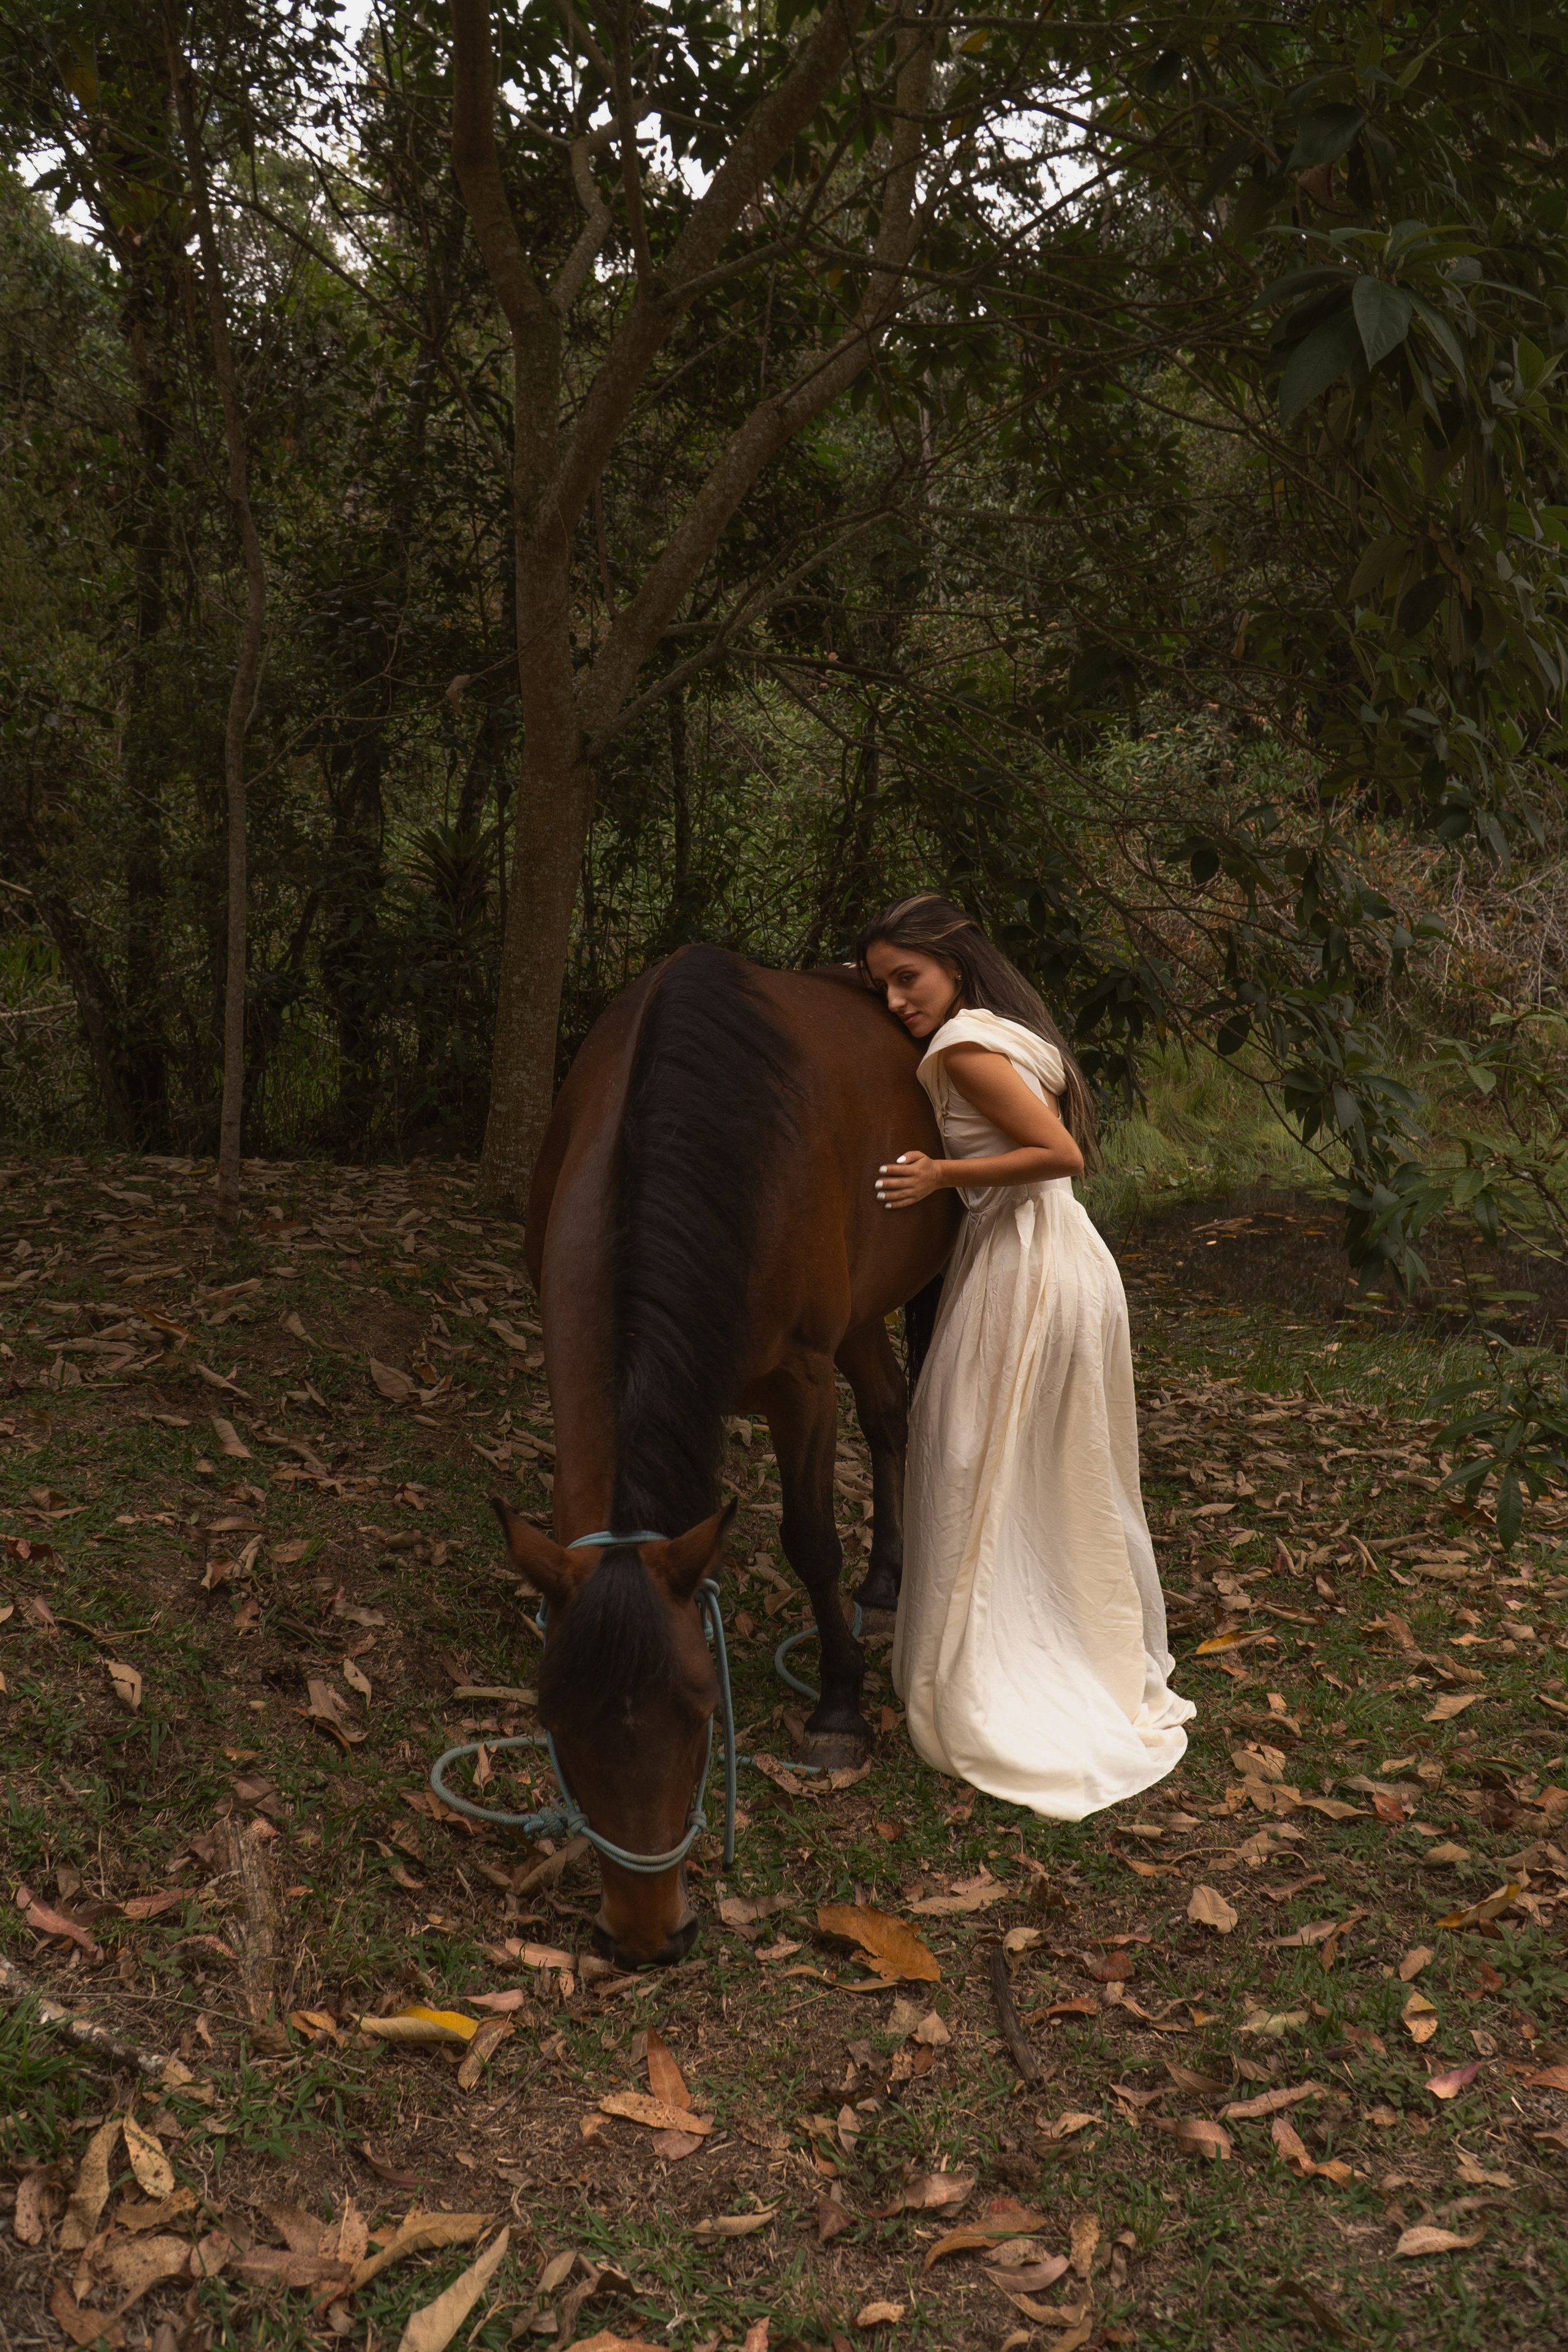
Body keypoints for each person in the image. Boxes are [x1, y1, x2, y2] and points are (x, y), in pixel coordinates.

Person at [858, 892, 1194, 1819]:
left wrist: (943, 1173)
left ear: (953, 964)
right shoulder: (997, 1028)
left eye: (907, 978)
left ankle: (1004, 1657)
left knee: (967, 1447)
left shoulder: (963, 1045)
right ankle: (1036, 1631)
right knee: (1031, 1460)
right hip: (1058, 1259)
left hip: (1029, 1265)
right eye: (882, 985)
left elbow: (1061, 1154)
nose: (896, 1002)